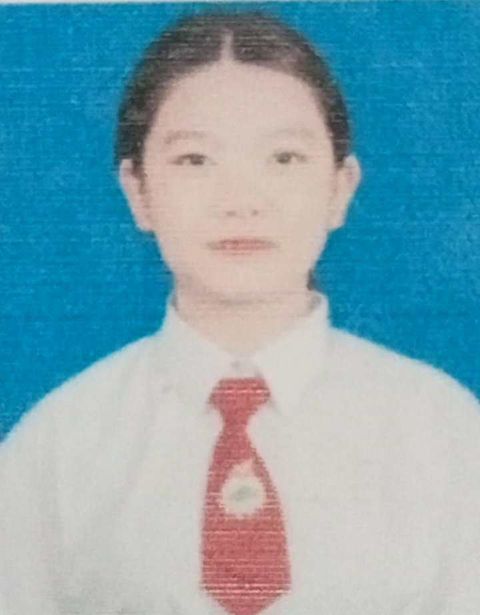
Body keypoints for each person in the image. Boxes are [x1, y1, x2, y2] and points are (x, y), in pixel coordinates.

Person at [1, 9, 480, 615]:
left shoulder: (443, 433)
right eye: (195, 160)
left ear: (340, 188)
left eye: (284, 158)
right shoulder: (57, 447)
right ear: (137, 191)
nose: (241, 200)